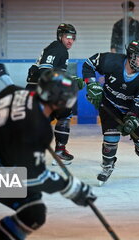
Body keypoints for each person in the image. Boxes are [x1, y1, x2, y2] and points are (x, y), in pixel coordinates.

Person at [0, 69, 96, 239]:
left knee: (32, 210)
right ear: (62, 101)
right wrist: (70, 187)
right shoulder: (36, 126)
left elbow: (3, 99)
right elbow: (34, 177)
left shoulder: (18, 92)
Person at [82, 40, 139, 184]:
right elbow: (89, 64)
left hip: (131, 108)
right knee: (110, 139)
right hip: (109, 105)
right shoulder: (112, 61)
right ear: (131, 56)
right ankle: (107, 165)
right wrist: (91, 83)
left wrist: (132, 118)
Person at [26, 23, 83, 163]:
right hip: (42, 90)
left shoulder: (54, 47)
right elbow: (44, 71)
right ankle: (60, 151)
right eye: (67, 37)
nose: (70, 41)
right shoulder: (59, 48)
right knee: (65, 113)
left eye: (73, 38)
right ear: (60, 36)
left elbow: (36, 70)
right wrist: (69, 81)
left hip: (38, 89)